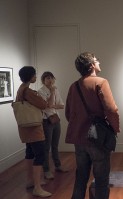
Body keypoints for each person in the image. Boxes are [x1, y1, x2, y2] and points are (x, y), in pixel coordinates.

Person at [65, 52, 120, 199]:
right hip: (97, 138)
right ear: (91, 66)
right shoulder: (101, 82)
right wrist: (115, 128)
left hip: (79, 138)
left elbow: (68, 113)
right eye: (97, 60)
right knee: (101, 179)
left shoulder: (74, 86)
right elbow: (112, 109)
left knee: (81, 177)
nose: (99, 62)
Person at [15, 66, 51, 197]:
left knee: (29, 153)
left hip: (26, 128)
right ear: (30, 76)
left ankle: (30, 180)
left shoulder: (21, 89)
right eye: (35, 75)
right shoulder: (28, 91)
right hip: (34, 128)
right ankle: (37, 187)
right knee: (40, 155)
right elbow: (43, 105)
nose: (36, 77)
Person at [38, 71, 67, 180]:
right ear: (43, 81)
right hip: (46, 121)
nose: (50, 80)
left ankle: (58, 165)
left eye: (51, 78)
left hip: (55, 119)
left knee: (55, 145)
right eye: (47, 78)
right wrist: (51, 93)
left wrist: (53, 104)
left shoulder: (55, 89)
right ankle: (46, 170)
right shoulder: (40, 92)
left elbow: (62, 105)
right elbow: (48, 105)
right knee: (46, 146)